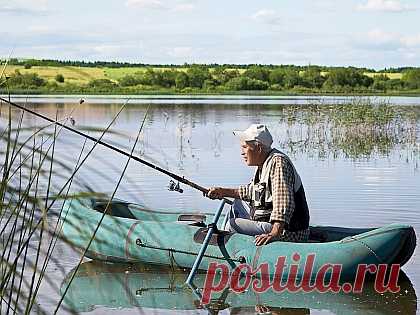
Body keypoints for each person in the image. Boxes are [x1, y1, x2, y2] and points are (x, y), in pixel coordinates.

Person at [207, 124, 310, 246]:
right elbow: (250, 192)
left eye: (245, 147)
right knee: (237, 204)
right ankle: (225, 240)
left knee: (232, 224)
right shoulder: (263, 164)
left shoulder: (278, 163)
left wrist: (274, 233)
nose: (242, 153)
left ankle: (228, 249)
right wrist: (222, 191)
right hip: (270, 224)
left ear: (259, 148)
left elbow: (284, 204)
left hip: (288, 232)